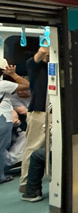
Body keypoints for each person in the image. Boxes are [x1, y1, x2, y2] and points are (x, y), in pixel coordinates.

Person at [20, 46, 47, 192]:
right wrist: (47, 46)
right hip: (39, 112)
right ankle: (26, 183)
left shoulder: (54, 67)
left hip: (55, 112)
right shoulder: (33, 65)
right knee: (33, 147)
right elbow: (41, 53)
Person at [1, 63, 30, 184]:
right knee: (2, 148)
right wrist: (13, 74)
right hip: (3, 118)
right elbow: (26, 85)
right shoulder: (3, 84)